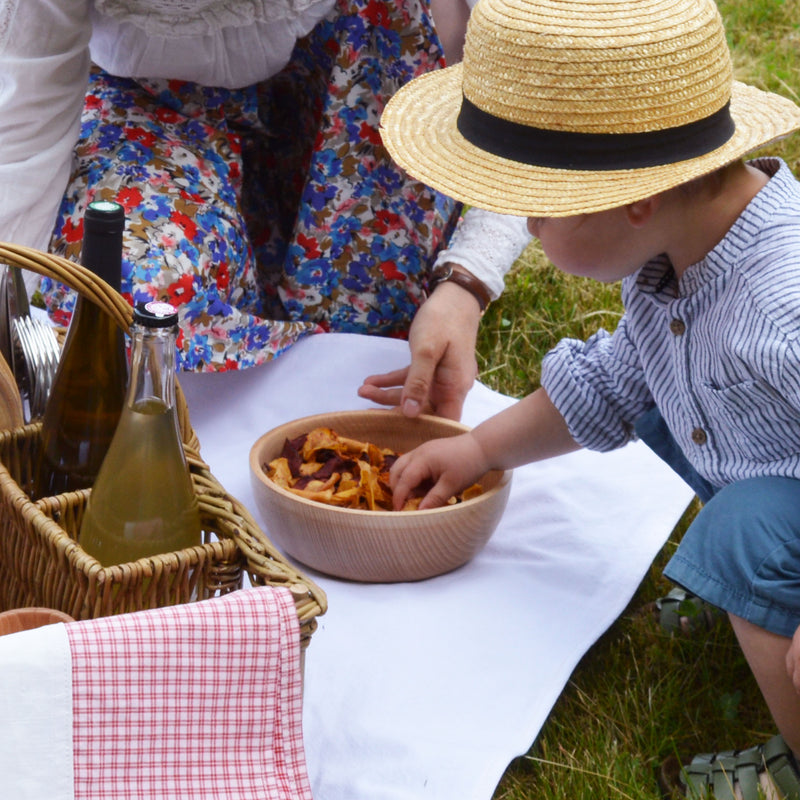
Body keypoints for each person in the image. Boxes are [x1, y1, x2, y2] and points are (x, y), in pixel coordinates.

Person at [378, 0, 800, 796]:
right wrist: (476, 449)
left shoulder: (781, 300)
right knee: (667, 403)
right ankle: (757, 596)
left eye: (538, 208)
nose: (529, 231)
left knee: (746, 532)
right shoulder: (674, 255)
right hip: (771, 464)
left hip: (779, 495)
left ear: (634, 198)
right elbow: (612, 386)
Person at [0, 0, 529, 417]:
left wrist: (466, 285)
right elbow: (27, 114)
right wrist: (7, 316)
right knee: (138, 312)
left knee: (357, 365)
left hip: (352, 82)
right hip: (149, 100)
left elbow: (534, 81)